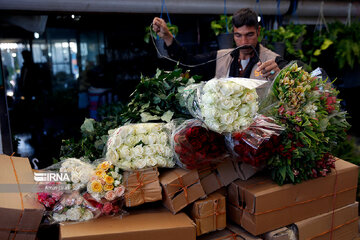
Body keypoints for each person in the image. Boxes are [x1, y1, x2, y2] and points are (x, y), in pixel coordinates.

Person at [152, 8, 288, 81]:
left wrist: (280, 75)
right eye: (238, 35)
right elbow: (188, 63)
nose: (244, 42)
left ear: (258, 32)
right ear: (233, 34)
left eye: (250, 34)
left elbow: (298, 78)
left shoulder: (273, 60)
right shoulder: (221, 57)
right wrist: (168, 37)